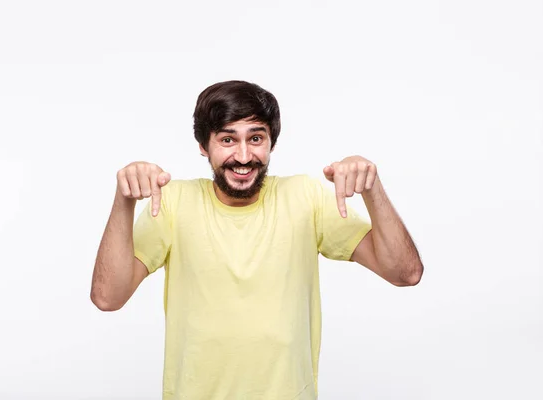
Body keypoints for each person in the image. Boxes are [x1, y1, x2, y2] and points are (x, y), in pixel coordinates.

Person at [90, 80, 424, 399]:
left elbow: (405, 273)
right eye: (227, 140)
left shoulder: (305, 196)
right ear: (204, 146)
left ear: (271, 143)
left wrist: (372, 189)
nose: (244, 156)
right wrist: (125, 200)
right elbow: (107, 297)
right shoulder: (174, 202)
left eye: (256, 138)